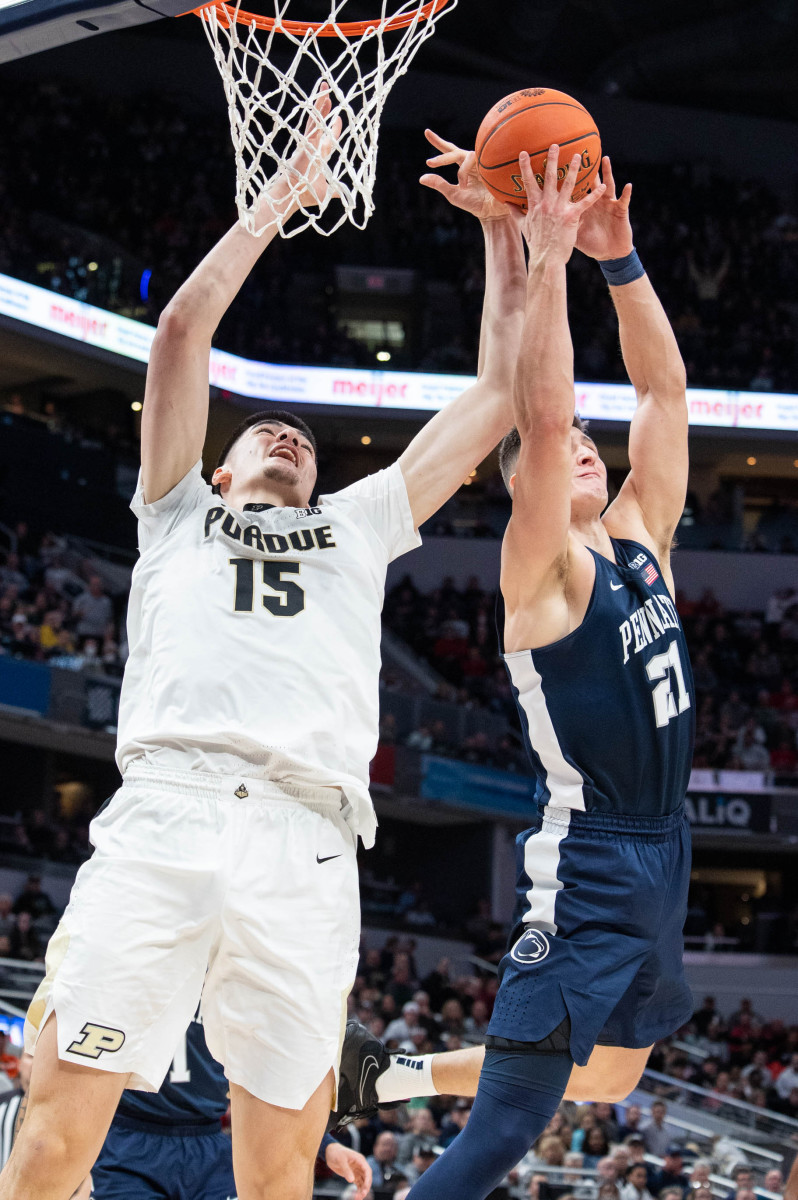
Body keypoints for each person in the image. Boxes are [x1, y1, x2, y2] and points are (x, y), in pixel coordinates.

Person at [4, 97, 527, 1200]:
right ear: (221, 467)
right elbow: (180, 334)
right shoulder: (174, 511)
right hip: (170, 812)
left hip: (309, 842)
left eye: (303, 439)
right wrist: (276, 203)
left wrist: (501, 232)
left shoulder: (360, 522)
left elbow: (493, 399)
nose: (287, 435)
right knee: (53, 1142)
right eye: (262, 432)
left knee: (278, 1174)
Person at [334, 142, 695, 1200]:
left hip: (665, 845)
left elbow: (663, 393)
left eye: (591, 439)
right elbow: (538, 414)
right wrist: (545, 259)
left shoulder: (640, 538)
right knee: (505, 1133)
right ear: (524, 482)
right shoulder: (543, 569)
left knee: (614, 1074)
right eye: (564, 443)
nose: (582, 443)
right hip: (590, 861)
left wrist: (620, 261)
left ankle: (387, 1076)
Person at [91, 1017, 371, 1199]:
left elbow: (264, 1081)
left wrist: (326, 1145)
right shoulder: (133, 961)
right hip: (130, 1143)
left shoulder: (231, 972)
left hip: (209, 1148)